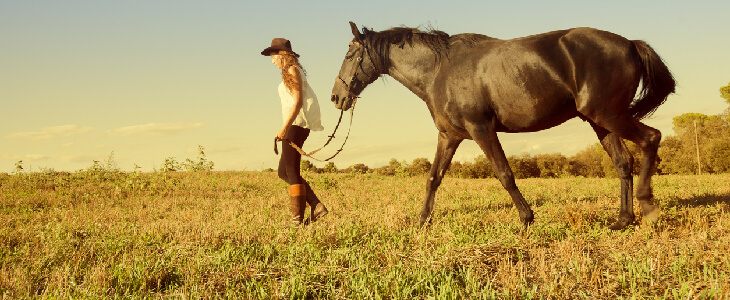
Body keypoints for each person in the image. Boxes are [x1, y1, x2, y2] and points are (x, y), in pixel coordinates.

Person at [261, 38, 328, 226]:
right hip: (294, 124)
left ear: (281, 55)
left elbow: (298, 102)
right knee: (283, 172)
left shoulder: (292, 70)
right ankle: (316, 205)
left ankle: (297, 220)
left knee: (291, 170)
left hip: (296, 125)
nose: (271, 60)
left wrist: (284, 127)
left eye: (273, 56)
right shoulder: (290, 71)